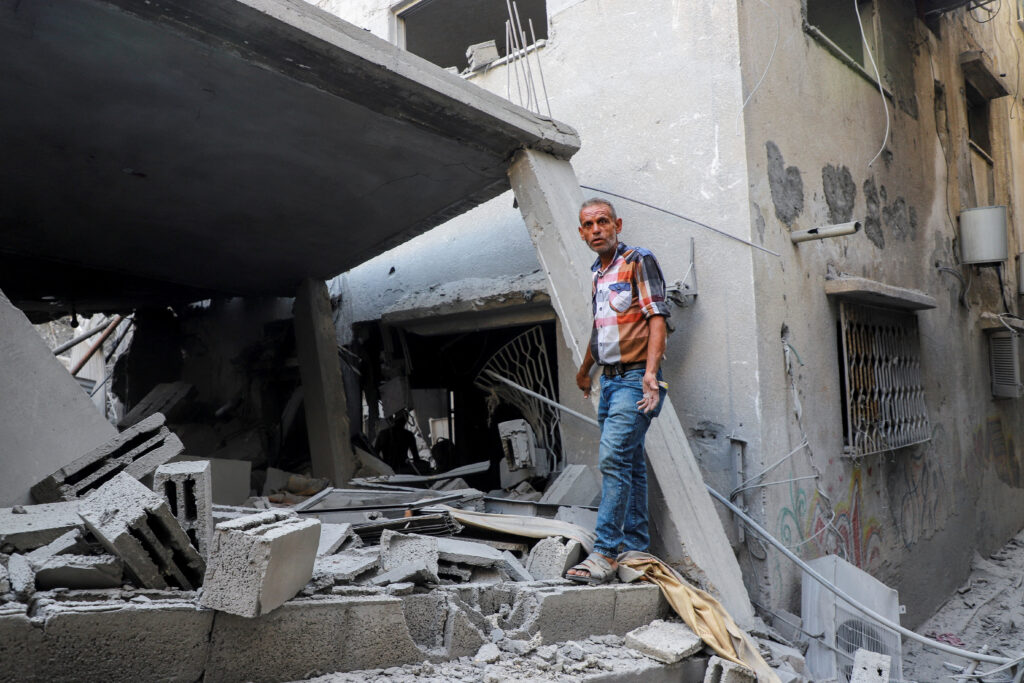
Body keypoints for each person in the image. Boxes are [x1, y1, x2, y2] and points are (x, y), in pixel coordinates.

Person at [566, 198, 669, 584]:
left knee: (612, 457)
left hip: (636, 379)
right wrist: (585, 371)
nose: (596, 229)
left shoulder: (638, 260)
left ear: (617, 225)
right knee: (630, 461)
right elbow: (601, 329)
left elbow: (657, 318)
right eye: (588, 225)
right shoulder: (597, 274)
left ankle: (606, 552)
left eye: (603, 222)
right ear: (581, 233)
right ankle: (636, 548)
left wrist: (651, 374)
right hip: (609, 381)